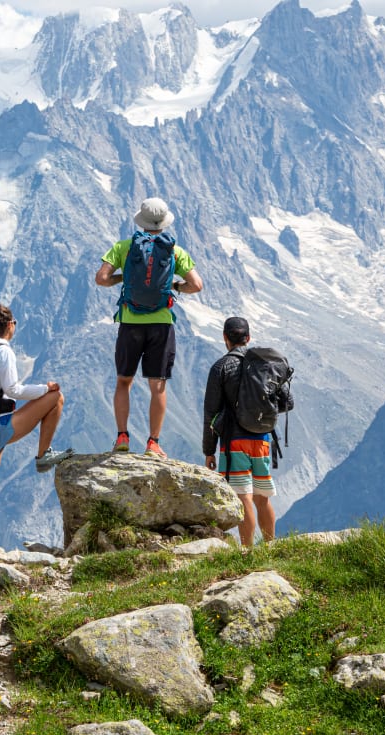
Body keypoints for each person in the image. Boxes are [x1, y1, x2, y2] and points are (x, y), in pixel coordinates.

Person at [95, 197, 203, 458]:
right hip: (161, 324)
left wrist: (126, 278)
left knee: (123, 382)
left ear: (141, 221)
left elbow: (101, 279)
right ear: (164, 223)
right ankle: (153, 443)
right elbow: (196, 285)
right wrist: (173, 286)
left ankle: (122, 437)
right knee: (158, 385)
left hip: (130, 323)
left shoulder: (124, 247)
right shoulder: (175, 251)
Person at [0, 300, 73, 543]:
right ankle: (43, 455)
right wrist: (44, 388)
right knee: (56, 398)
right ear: (10, 325)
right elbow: (13, 389)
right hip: (0, 426)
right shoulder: (3, 351)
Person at [202, 317, 292, 547]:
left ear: (225, 338)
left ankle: (248, 551)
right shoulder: (264, 366)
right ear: (248, 338)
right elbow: (287, 403)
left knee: (244, 498)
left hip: (234, 443)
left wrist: (209, 451)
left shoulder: (221, 367)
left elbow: (211, 413)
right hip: (263, 440)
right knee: (263, 499)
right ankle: (271, 548)